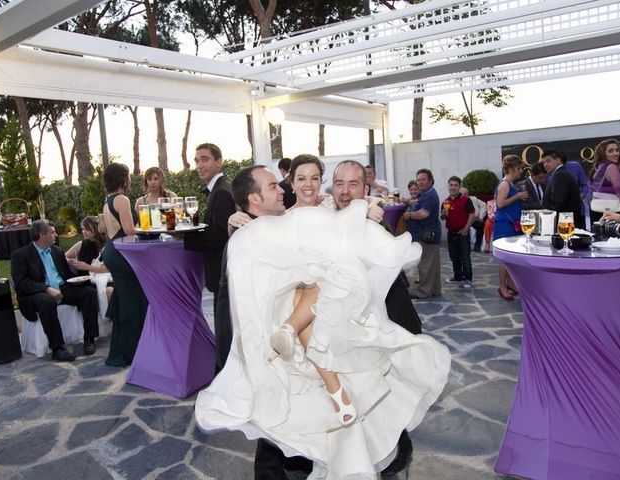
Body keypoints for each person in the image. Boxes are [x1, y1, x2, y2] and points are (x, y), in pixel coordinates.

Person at [196, 164, 450, 480]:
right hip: (302, 345)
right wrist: (241, 221)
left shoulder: (338, 216)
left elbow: (380, 270)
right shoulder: (281, 222)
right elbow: (235, 298)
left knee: (368, 394)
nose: (342, 190)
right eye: (298, 179)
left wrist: (369, 215)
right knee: (290, 408)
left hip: (345, 333)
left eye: (316, 178)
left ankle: (379, 450)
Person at [11, 219, 99, 361]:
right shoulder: (20, 256)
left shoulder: (57, 251)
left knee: (88, 293)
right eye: (52, 232)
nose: (56, 235)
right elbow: (21, 283)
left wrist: (80, 280)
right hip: (36, 293)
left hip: (63, 288)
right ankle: (57, 348)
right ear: (41, 235)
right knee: (47, 301)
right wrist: (46, 288)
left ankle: (89, 339)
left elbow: (67, 275)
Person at [101, 163, 148, 367]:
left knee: (124, 300)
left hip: (112, 250)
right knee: (133, 302)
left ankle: (123, 350)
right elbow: (129, 230)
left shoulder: (108, 200)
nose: (130, 180)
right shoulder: (121, 199)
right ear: (123, 178)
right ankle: (133, 351)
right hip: (122, 253)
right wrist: (148, 229)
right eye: (128, 176)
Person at [184, 143, 236, 312]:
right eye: (197, 161)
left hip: (223, 274)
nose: (199, 166)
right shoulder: (220, 188)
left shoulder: (221, 191)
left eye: (204, 160)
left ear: (219, 161)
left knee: (224, 332)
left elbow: (219, 236)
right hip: (221, 274)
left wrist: (184, 235)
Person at [493, 155, 528, 301]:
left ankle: (510, 283)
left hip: (511, 224)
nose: (520, 172)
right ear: (512, 168)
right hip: (504, 225)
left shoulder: (510, 184)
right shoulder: (505, 184)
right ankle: (502, 286)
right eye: (519, 168)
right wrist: (518, 196)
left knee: (510, 258)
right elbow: (500, 204)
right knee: (505, 259)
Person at [403, 169, 441, 299]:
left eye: (423, 179)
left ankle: (424, 291)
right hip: (427, 233)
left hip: (428, 234)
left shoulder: (430, 195)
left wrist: (408, 215)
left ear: (430, 180)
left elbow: (423, 214)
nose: (420, 182)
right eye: (418, 180)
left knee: (426, 264)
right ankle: (434, 289)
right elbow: (414, 203)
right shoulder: (424, 194)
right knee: (431, 264)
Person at [441, 177, 475, 288]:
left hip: (463, 233)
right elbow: (442, 218)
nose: (453, 187)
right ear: (448, 186)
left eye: (455, 185)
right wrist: (443, 214)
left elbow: (472, 215)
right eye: (451, 185)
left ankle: (468, 279)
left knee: (465, 256)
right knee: (454, 257)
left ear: (459, 187)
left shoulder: (465, 199)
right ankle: (457, 276)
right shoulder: (446, 201)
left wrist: (466, 229)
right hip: (451, 233)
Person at [541, 150, 584, 229]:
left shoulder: (560, 175)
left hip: (564, 224)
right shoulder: (561, 173)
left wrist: (548, 222)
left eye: (548, 161)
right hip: (567, 221)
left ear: (558, 160)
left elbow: (557, 203)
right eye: (543, 163)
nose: (545, 165)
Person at [590, 139, 620, 222]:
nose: (616, 153)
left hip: (597, 210)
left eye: (617, 150)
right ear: (603, 153)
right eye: (611, 151)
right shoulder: (612, 167)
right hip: (612, 213)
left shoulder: (598, 167)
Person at [463, 187, 486, 252]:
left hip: (474, 219)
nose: (463, 196)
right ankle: (465, 246)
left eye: (465, 194)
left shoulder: (473, 199)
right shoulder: (458, 200)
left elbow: (483, 205)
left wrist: (481, 216)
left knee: (481, 225)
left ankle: (477, 245)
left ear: (467, 194)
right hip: (463, 220)